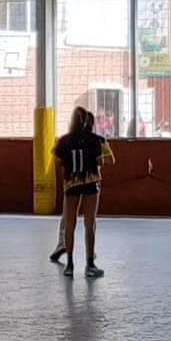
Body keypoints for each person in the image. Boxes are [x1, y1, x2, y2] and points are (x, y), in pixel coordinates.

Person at [53, 107, 114, 278]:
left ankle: (70, 265)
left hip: (71, 184)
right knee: (90, 223)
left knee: (70, 224)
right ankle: (89, 264)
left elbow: (57, 162)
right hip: (90, 182)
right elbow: (105, 160)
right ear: (87, 122)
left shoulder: (63, 141)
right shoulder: (96, 140)